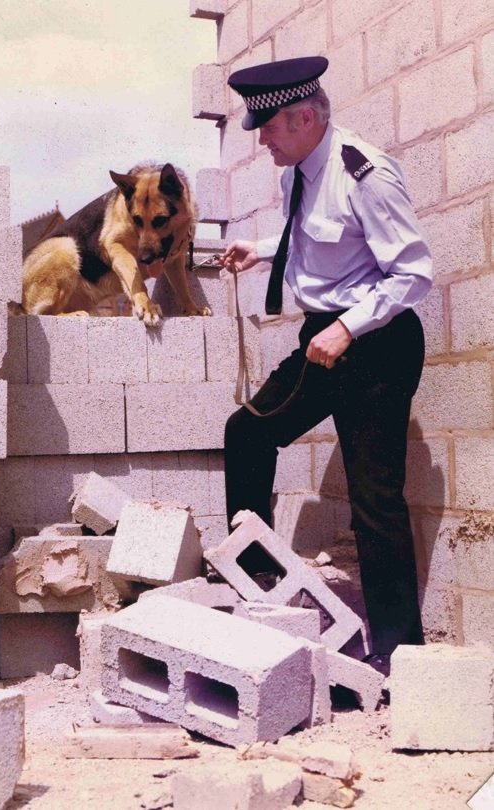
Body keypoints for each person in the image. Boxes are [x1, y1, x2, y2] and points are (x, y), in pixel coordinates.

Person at [221, 57, 432, 674]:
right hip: (325, 338)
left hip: (378, 343)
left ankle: (398, 653)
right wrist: (260, 251)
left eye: (271, 127)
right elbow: (315, 240)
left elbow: (412, 272)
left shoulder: (364, 173)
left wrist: (348, 326)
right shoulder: (296, 171)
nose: (262, 140)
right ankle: (255, 584)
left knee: (375, 497)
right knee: (249, 431)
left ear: (306, 117)